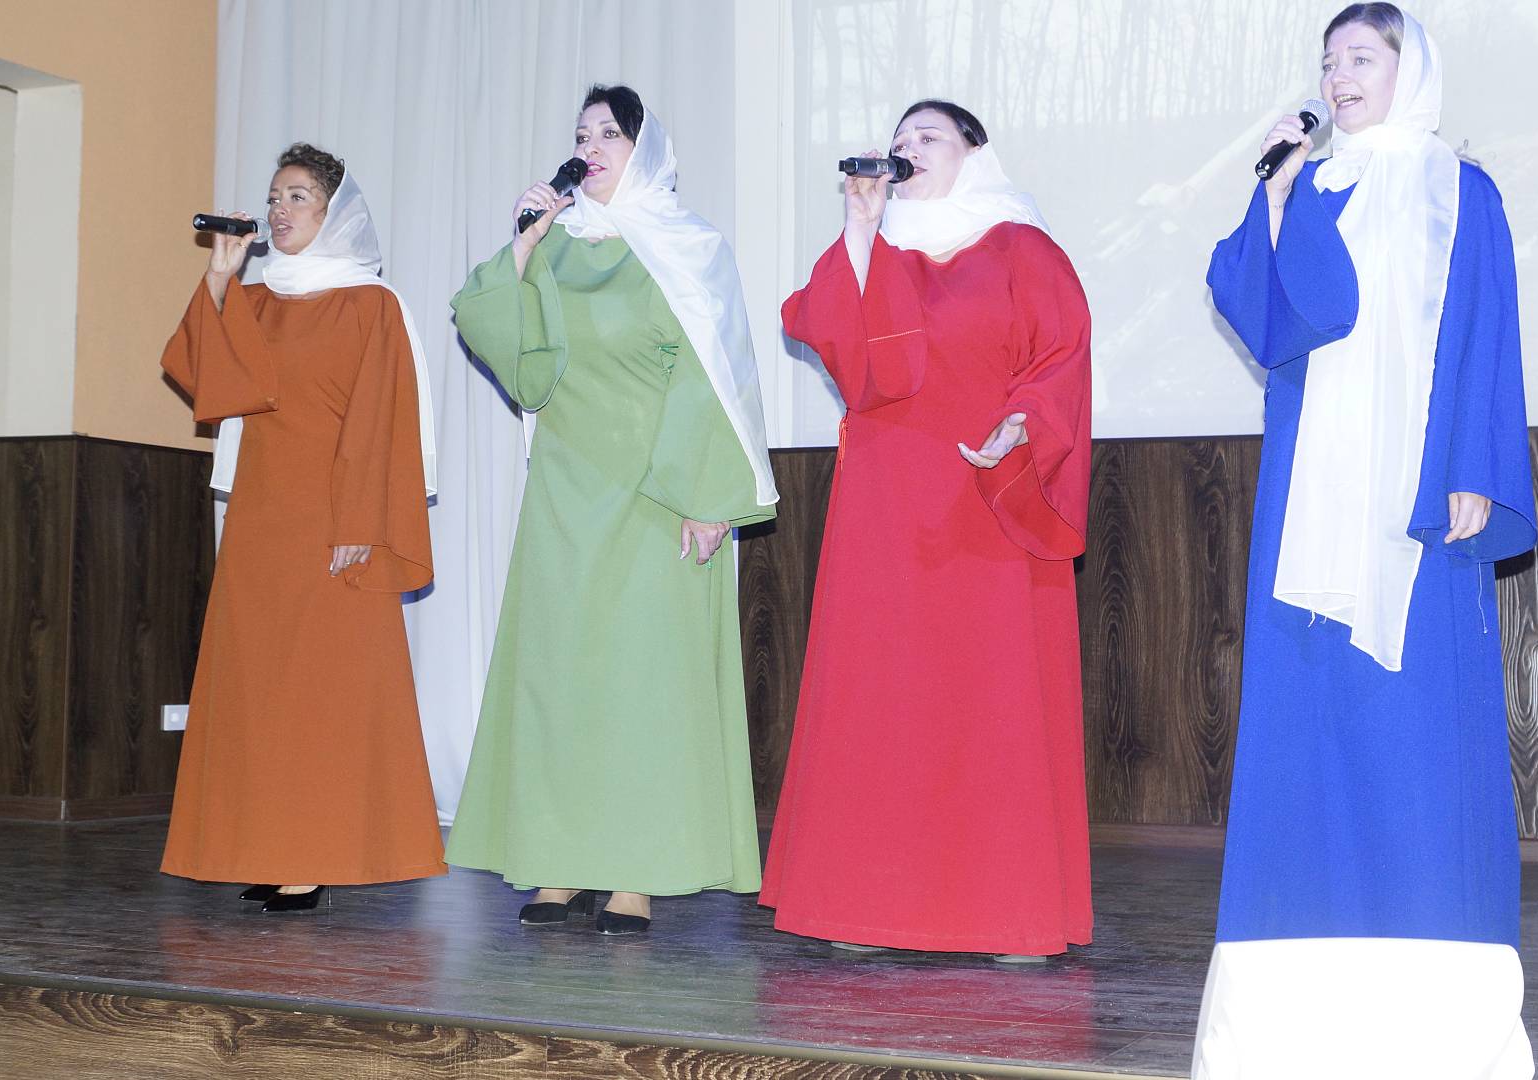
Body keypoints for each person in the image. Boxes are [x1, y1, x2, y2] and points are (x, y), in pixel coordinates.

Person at [1193, 6, 1537, 1075]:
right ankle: (1290, 997)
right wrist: (1275, 196)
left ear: (1406, 69)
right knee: (1308, 722)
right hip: (1310, 500)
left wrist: (1475, 465)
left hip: (1418, 496)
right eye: (1327, 61)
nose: (1337, 77)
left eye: (1359, 58)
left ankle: (1435, 991)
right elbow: (1288, 319)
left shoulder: (1458, 187)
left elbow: (1485, 332)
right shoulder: (1312, 185)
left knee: (1415, 726)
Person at [759, 100, 1093, 961]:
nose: (907, 150)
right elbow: (830, 337)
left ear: (972, 152)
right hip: (885, 502)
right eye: (899, 141)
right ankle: (864, 905)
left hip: (989, 491)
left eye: (928, 138)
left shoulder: (1021, 245)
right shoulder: (878, 248)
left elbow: (1059, 355)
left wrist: (1023, 422)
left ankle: (1009, 913)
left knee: (993, 698)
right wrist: (860, 230)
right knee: (885, 696)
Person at [447, 85, 777, 935]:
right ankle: (557, 863)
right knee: (561, 680)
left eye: (609, 134)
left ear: (644, 149)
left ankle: (634, 873)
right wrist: (522, 248)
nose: (590, 147)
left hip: (657, 490)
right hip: (565, 489)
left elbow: (715, 376)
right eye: (581, 134)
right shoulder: (556, 244)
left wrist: (706, 495)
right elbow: (515, 359)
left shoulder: (689, 246)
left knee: (643, 686)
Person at [159, 142, 443, 913]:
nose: (279, 211)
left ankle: (313, 855)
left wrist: (362, 520)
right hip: (261, 518)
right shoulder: (256, 300)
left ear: (333, 210)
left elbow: (381, 421)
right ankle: (267, 846)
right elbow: (207, 380)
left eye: (297, 197)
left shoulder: (370, 305)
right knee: (257, 692)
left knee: (322, 693)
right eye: (273, 198)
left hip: (332, 515)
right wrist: (220, 277)